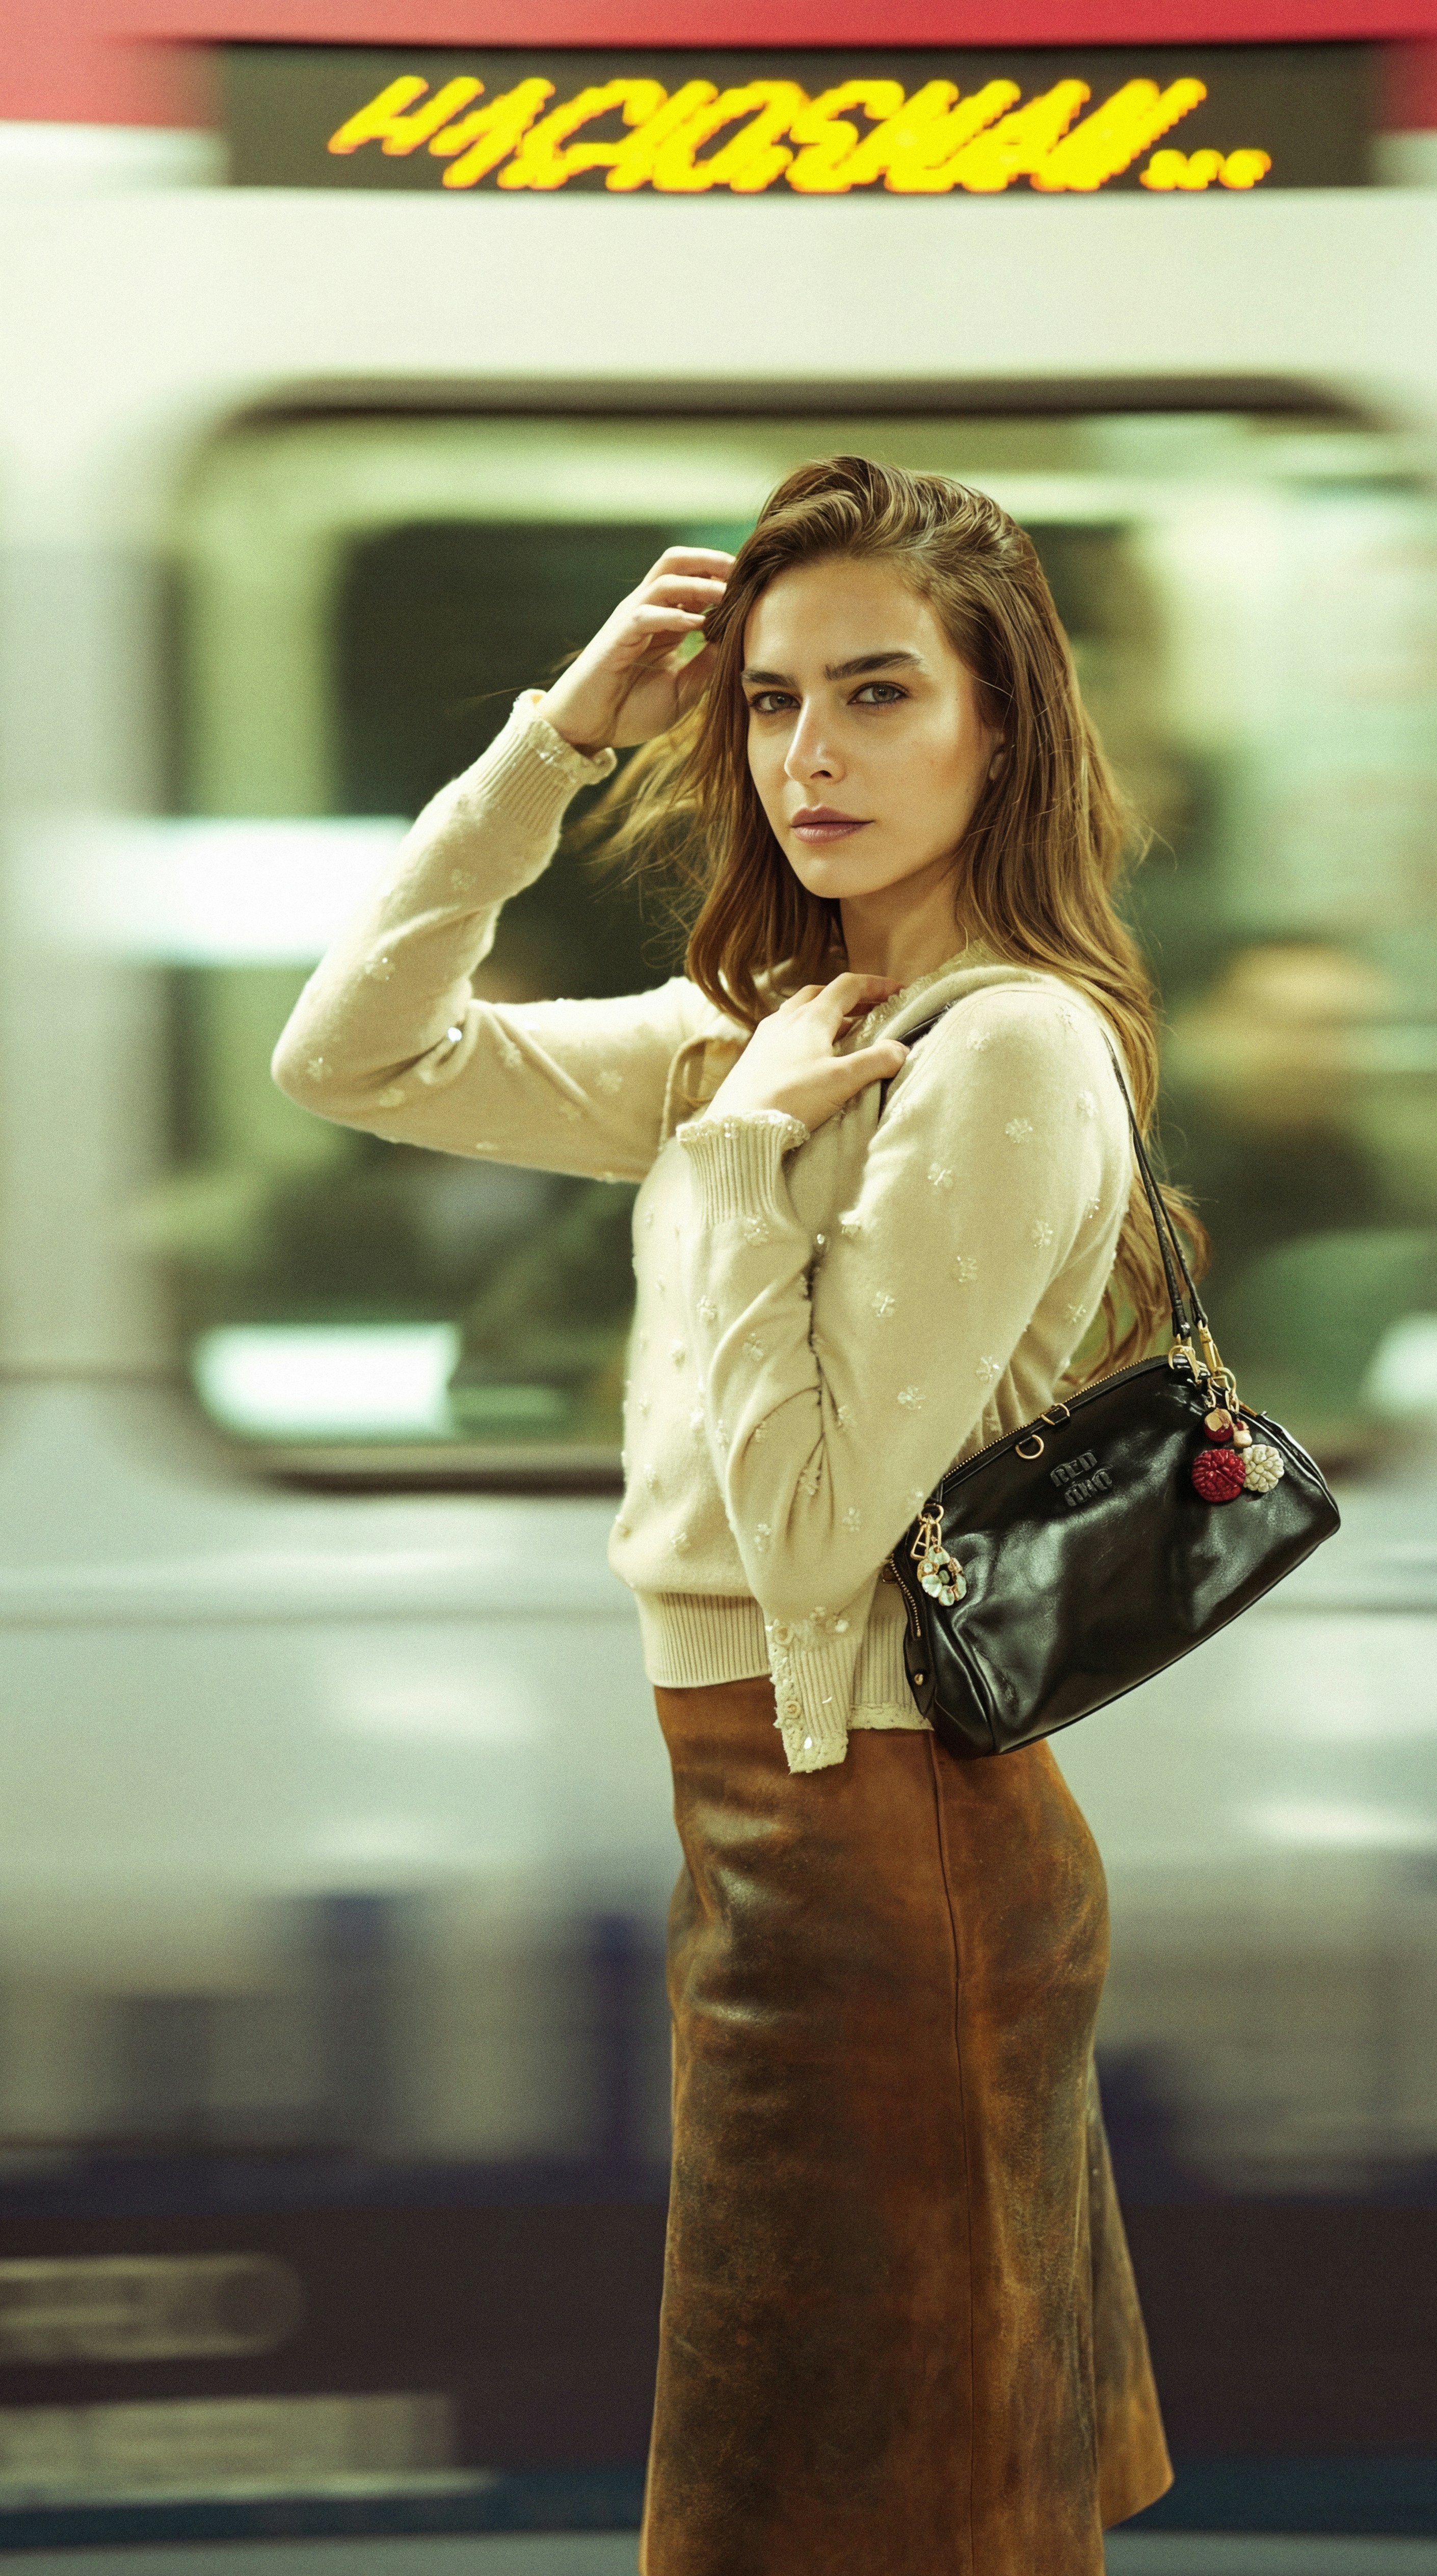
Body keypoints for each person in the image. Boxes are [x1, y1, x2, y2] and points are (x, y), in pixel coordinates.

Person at [274, 455, 1187, 2573]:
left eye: (877, 695)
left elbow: (809, 1533)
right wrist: (551, 744)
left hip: (888, 1841)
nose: (809, 757)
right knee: (856, 2498)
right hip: (782, 1833)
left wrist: (724, 1176)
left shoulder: (1005, 1054)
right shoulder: (763, 1032)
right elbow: (353, 1056)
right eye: (770, 702)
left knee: (883, 2508)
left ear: (998, 724)